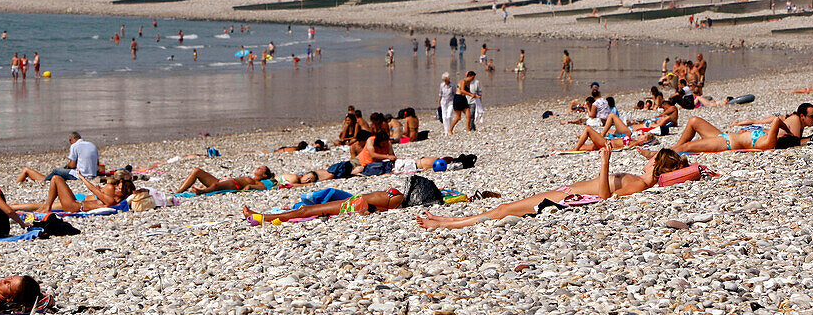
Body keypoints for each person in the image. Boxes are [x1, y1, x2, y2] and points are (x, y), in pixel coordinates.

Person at [416, 147, 690, 230]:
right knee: (505, 208)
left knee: (503, 209)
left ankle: (447, 224)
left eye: (654, 157)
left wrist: (605, 162)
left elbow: (606, 196)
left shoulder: (640, 182)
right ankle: (451, 220)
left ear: (657, 165)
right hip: (567, 192)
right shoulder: (644, 178)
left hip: (568, 197)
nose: (650, 156)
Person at [646, 104, 813, 154]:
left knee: (686, 148)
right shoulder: (767, 137)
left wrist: (787, 132)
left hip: (726, 143)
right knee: (693, 120)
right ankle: (670, 151)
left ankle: (660, 154)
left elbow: (776, 121)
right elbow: (776, 122)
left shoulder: (770, 142)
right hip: (725, 136)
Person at [244, 187, 406, 225]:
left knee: (305, 211)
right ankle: (263, 216)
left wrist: (367, 211)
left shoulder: (396, 198)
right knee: (304, 210)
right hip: (355, 202)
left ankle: (263, 217)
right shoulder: (395, 196)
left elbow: (380, 209)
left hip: (354, 205)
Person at [16, 169, 136, 214]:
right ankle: (47, 207)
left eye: (119, 189)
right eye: (117, 187)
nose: (116, 189)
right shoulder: (112, 200)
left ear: (124, 193)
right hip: (76, 204)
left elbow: (93, 189)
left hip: (75, 206)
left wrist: (82, 177)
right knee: (56, 179)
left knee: (56, 178)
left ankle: (47, 207)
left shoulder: (111, 201)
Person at [15, 132, 100, 183]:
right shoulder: (92, 145)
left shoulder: (75, 146)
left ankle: (45, 180)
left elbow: (72, 165)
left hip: (82, 175)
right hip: (93, 174)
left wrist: (66, 167)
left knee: (57, 170)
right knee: (62, 172)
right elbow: (97, 163)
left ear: (71, 139)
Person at [173, 165, 275, 195]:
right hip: (222, 181)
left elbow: (262, 187)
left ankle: (202, 191)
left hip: (233, 184)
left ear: (264, 175)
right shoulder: (251, 178)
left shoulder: (259, 182)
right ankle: (178, 192)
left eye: (261, 169)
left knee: (216, 186)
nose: (258, 168)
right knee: (196, 171)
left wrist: (249, 187)